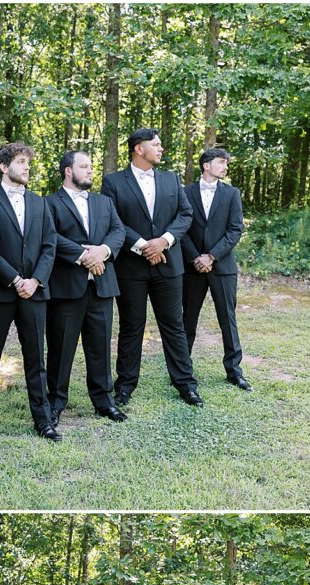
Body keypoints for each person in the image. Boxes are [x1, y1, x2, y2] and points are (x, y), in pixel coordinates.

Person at [101, 128, 203, 407]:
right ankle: (124, 386)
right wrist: (145, 246)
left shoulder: (171, 179)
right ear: (138, 148)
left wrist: (164, 241)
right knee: (132, 326)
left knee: (174, 325)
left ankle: (186, 384)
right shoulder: (113, 182)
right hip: (131, 267)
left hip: (169, 265)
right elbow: (113, 220)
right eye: (155, 144)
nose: (161, 149)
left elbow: (185, 214)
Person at [0, 141, 59, 442]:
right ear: (4, 167)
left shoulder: (41, 203)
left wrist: (36, 280)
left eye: (28, 162)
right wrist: (15, 279)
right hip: (0, 292)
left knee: (36, 359)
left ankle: (43, 421)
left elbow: (49, 245)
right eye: (20, 162)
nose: (27, 167)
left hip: (35, 292)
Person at [46, 150, 127, 424]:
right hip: (66, 288)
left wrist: (102, 251)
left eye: (91, 166)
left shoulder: (104, 202)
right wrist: (84, 256)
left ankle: (104, 401)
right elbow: (50, 237)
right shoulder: (49, 203)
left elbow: (119, 232)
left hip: (102, 287)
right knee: (61, 348)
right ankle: (55, 403)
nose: (91, 170)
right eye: (85, 166)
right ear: (68, 171)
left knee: (100, 347)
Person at [181, 147, 250, 390]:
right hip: (192, 268)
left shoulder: (232, 194)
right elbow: (182, 229)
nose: (225, 166)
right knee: (187, 319)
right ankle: (183, 371)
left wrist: (211, 256)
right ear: (206, 165)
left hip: (222, 266)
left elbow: (235, 230)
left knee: (227, 319)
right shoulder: (185, 192)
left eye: (226, 163)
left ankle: (234, 371)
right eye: (221, 162)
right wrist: (195, 258)